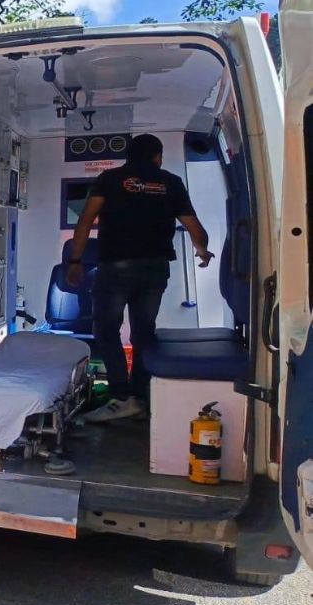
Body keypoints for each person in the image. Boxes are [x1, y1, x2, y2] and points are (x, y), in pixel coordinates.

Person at [68, 134, 214, 422]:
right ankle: (140, 398)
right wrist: (203, 251)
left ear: (129, 156)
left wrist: (75, 260)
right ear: (157, 157)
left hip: (115, 268)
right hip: (154, 269)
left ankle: (121, 397)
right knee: (143, 333)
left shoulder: (109, 179)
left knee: (107, 331)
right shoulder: (171, 182)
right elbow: (195, 228)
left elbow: (85, 220)